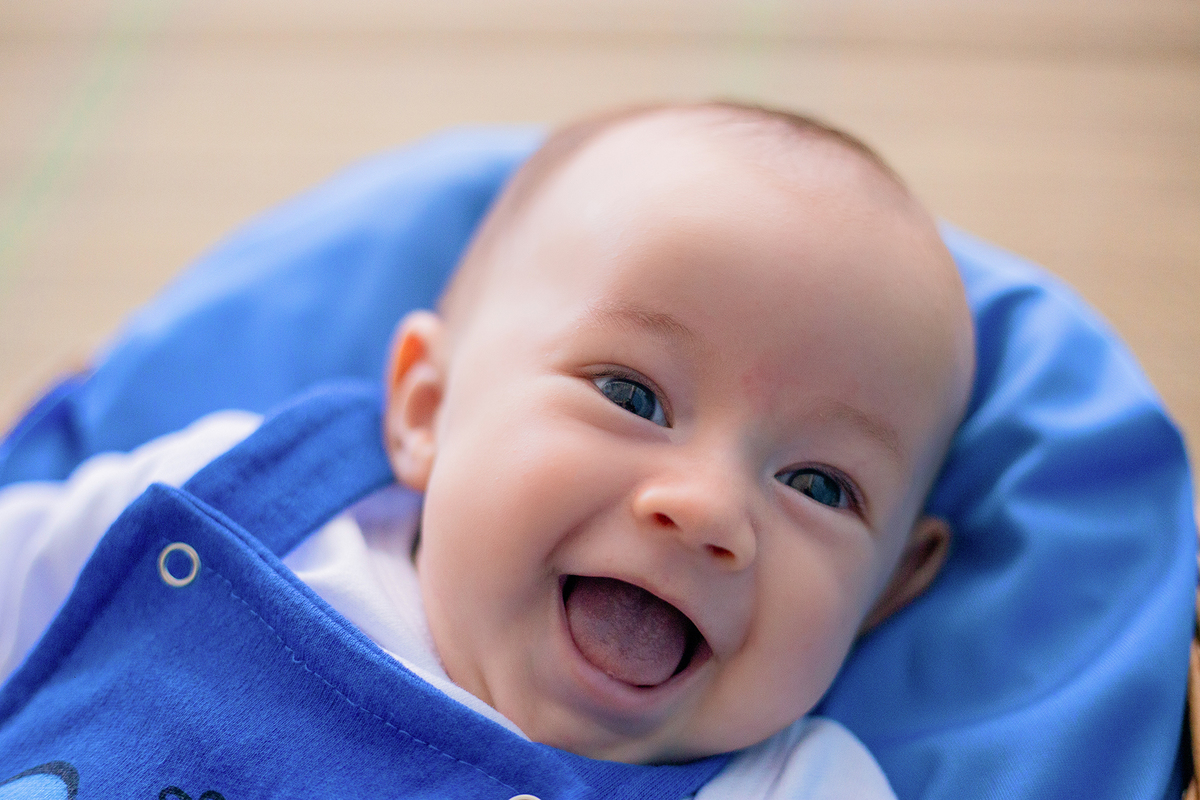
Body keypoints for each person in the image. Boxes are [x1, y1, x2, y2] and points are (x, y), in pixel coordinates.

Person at [0, 101, 975, 798]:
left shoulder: (795, 782)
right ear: (427, 406)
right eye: (632, 393)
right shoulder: (244, 498)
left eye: (820, 483)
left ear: (889, 587)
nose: (710, 506)